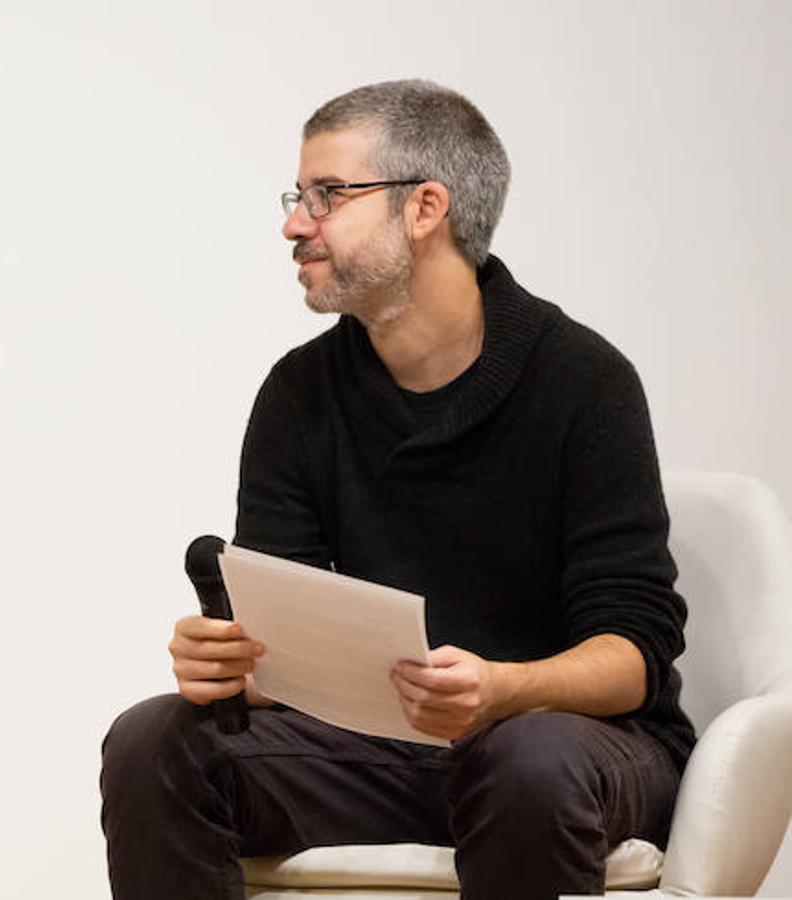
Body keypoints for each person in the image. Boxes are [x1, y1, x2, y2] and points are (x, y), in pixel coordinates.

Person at [99, 80, 693, 900]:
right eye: (297, 196)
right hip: (382, 754)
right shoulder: (299, 394)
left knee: (527, 760)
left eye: (328, 195)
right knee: (153, 740)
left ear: (426, 209)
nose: (294, 222)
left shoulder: (585, 382)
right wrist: (234, 663)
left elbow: (634, 657)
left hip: (575, 748)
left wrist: (502, 690)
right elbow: (281, 657)